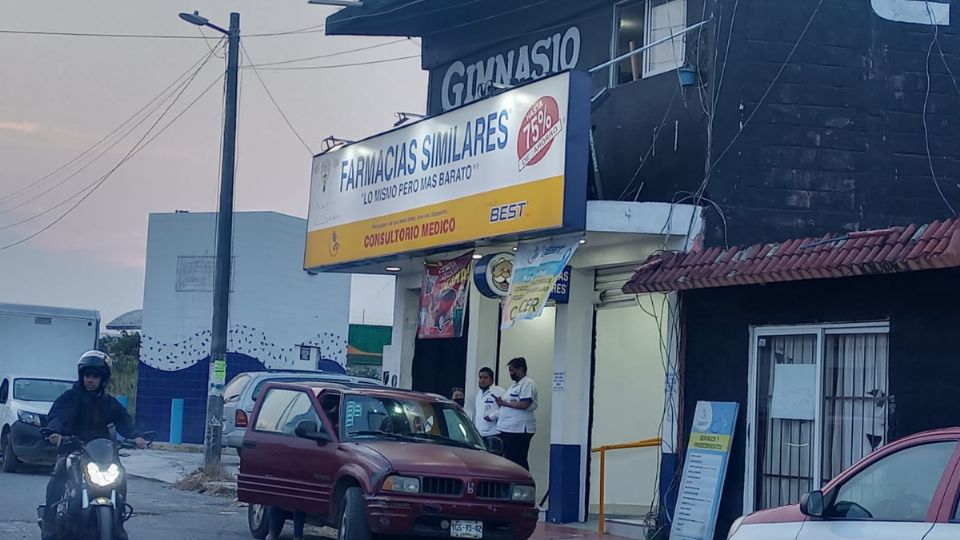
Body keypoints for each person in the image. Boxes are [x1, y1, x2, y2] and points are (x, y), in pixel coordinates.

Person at [43, 351, 146, 540]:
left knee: (120, 476)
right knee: (59, 475)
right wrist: (55, 432)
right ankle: (49, 523)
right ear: (82, 376)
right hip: (73, 448)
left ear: (103, 378)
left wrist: (136, 436)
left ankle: (118, 521)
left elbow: (124, 420)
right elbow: (58, 415)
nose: (90, 380)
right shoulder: (71, 397)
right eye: (87, 375)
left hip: (102, 452)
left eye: (95, 376)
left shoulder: (108, 402)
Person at [495, 357, 538, 471]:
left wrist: (505, 403)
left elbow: (525, 404)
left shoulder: (527, 383)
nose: (511, 373)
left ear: (521, 369)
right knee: (509, 459)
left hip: (519, 429)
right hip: (508, 428)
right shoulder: (514, 385)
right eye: (509, 371)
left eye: (513, 370)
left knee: (518, 459)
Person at [472, 367, 504, 447]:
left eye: (485, 378)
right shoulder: (479, 394)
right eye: (480, 377)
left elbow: (506, 410)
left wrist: (492, 416)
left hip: (493, 433)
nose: (482, 380)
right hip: (479, 434)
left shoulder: (499, 391)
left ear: (492, 379)